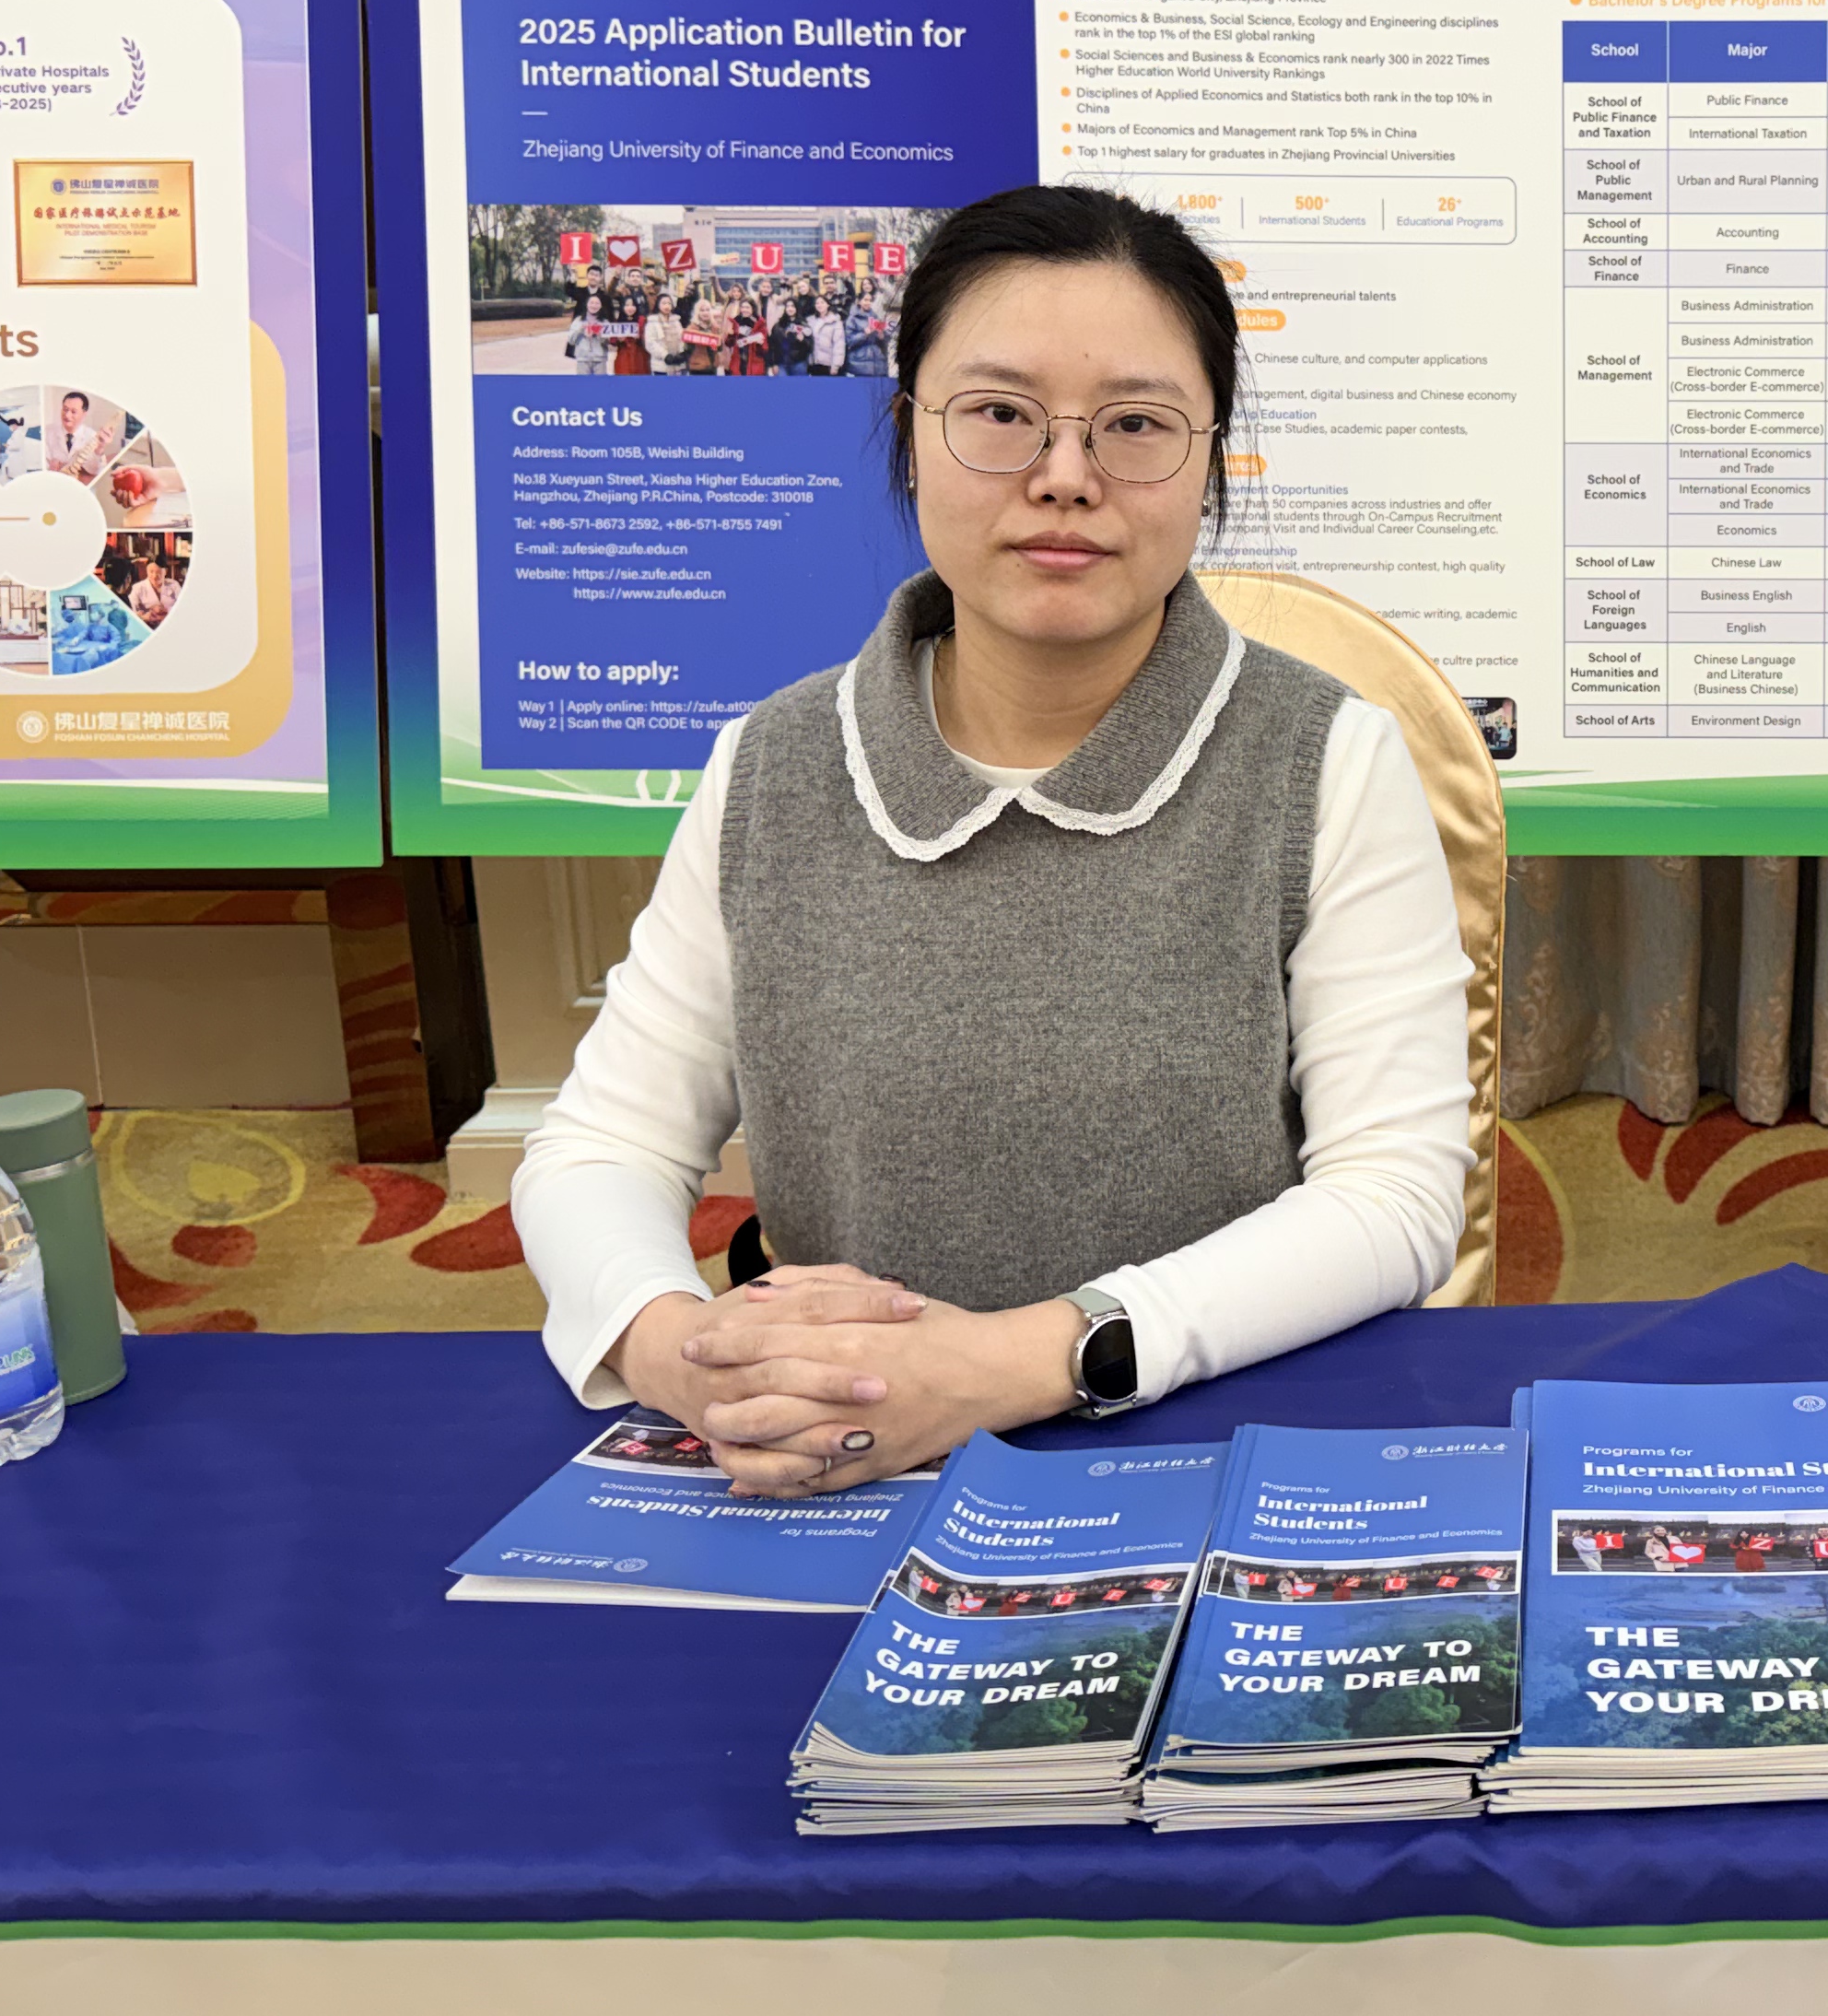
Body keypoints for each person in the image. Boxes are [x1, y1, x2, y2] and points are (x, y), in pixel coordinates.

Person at [511, 183, 1476, 1494]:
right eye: (1002, 415)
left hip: (1213, 1438)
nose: (1065, 476)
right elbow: (602, 1148)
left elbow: (1394, 1198)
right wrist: (686, 1354)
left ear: (1210, 460)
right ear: (911, 435)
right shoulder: (775, 764)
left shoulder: (1330, 761)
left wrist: (1014, 1364)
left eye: (1135, 425)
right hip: (841, 1453)